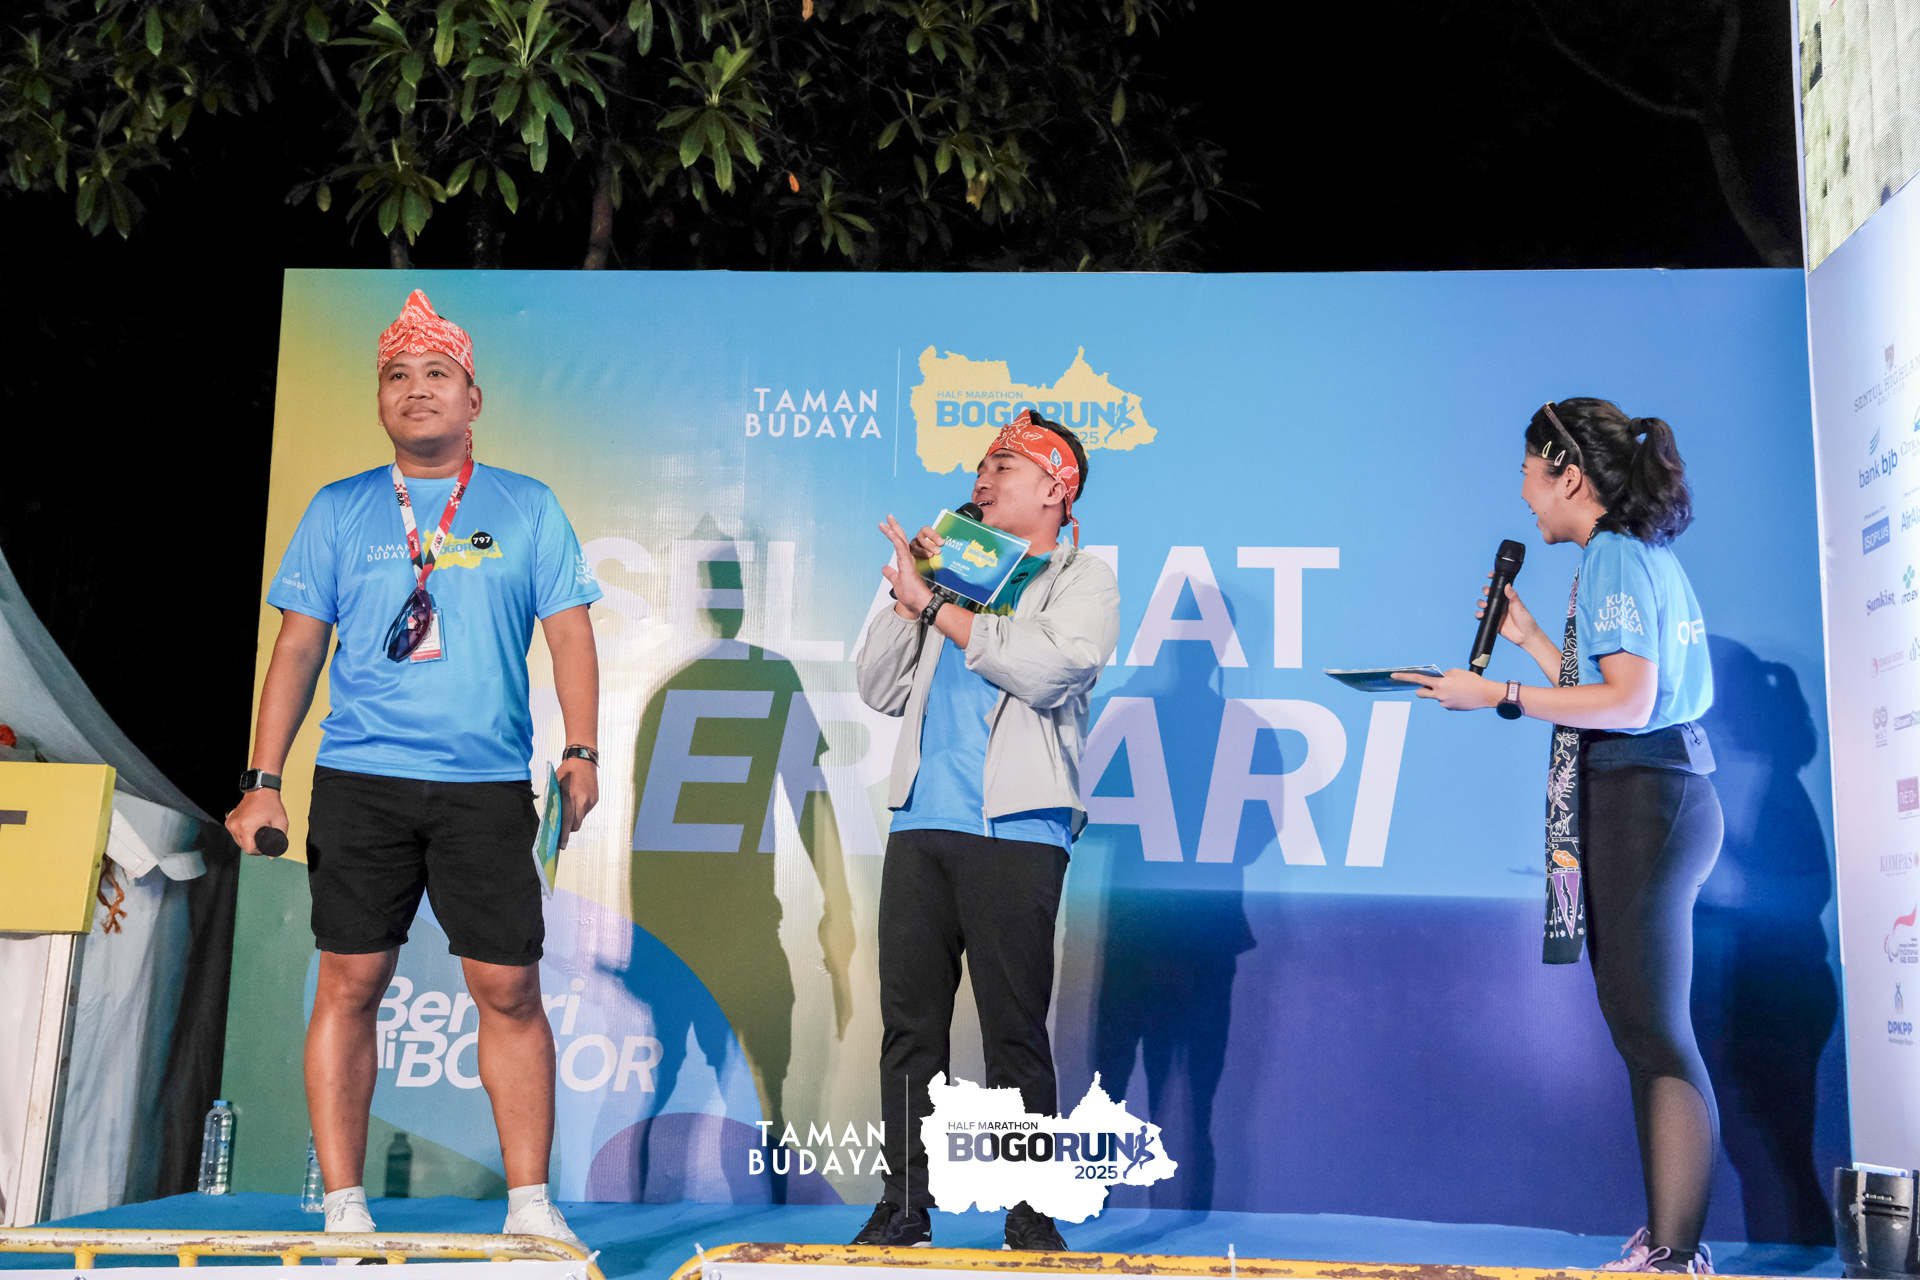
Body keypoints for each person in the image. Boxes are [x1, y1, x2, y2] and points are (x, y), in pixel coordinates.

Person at [224, 290, 603, 1254]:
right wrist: (262, 778)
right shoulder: (339, 508)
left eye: (437, 374)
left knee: (509, 990)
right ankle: (344, 1209)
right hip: (361, 780)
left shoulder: (527, 505)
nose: (416, 390)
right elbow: (297, 650)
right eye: (398, 376)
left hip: (485, 787)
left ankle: (530, 1208)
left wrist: (581, 751)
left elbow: (570, 637)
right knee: (349, 982)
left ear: (474, 399)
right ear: (381, 400)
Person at [1397, 399, 1722, 1275]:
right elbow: (1610, 695)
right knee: (1645, 1030)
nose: (1522, 493)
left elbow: (1630, 702)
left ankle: (1676, 1254)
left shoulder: (1613, 554)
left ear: (1568, 476)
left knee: (1655, 1034)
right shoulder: (1631, 553)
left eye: (1528, 474)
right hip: (1656, 790)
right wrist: (1536, 641)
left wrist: (1497, 694)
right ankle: (1668, 1239)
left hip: (1646, 796)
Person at [852, 410, 1120, 1250]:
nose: (983, 476)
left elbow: (1050, 670)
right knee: (910, 1030)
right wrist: (910, 598)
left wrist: (935, 605)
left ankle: (1030, 1209)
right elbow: (877, 687)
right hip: (921, 821)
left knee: (1014, 1033)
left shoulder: (1082, 579)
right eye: (981, 463)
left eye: (1004, 465)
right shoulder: (949, 572)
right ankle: (904, 1206)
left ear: (1055, 489)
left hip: (1019, 830)